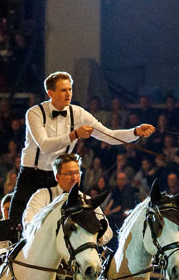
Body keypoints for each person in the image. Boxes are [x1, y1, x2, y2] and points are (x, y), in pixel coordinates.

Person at [11, 71, 155, 227]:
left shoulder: (78, 113)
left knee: (69, 224)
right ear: (50, 93)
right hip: (32, 175)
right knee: (15, 223)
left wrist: (134, 132)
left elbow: (109, 135)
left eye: (70, 89)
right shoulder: (34, 113)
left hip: (61, 176)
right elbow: (45, 145)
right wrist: (73, 135)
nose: (68, 94)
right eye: (63, 90)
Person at [22, 153, 113, 246]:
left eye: (77, 173)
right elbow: (29, 224)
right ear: (57, 177)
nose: (74, 178)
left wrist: (92, 238)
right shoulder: (42, 196)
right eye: (69, 174)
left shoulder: (86, 200)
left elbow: (108, 232)